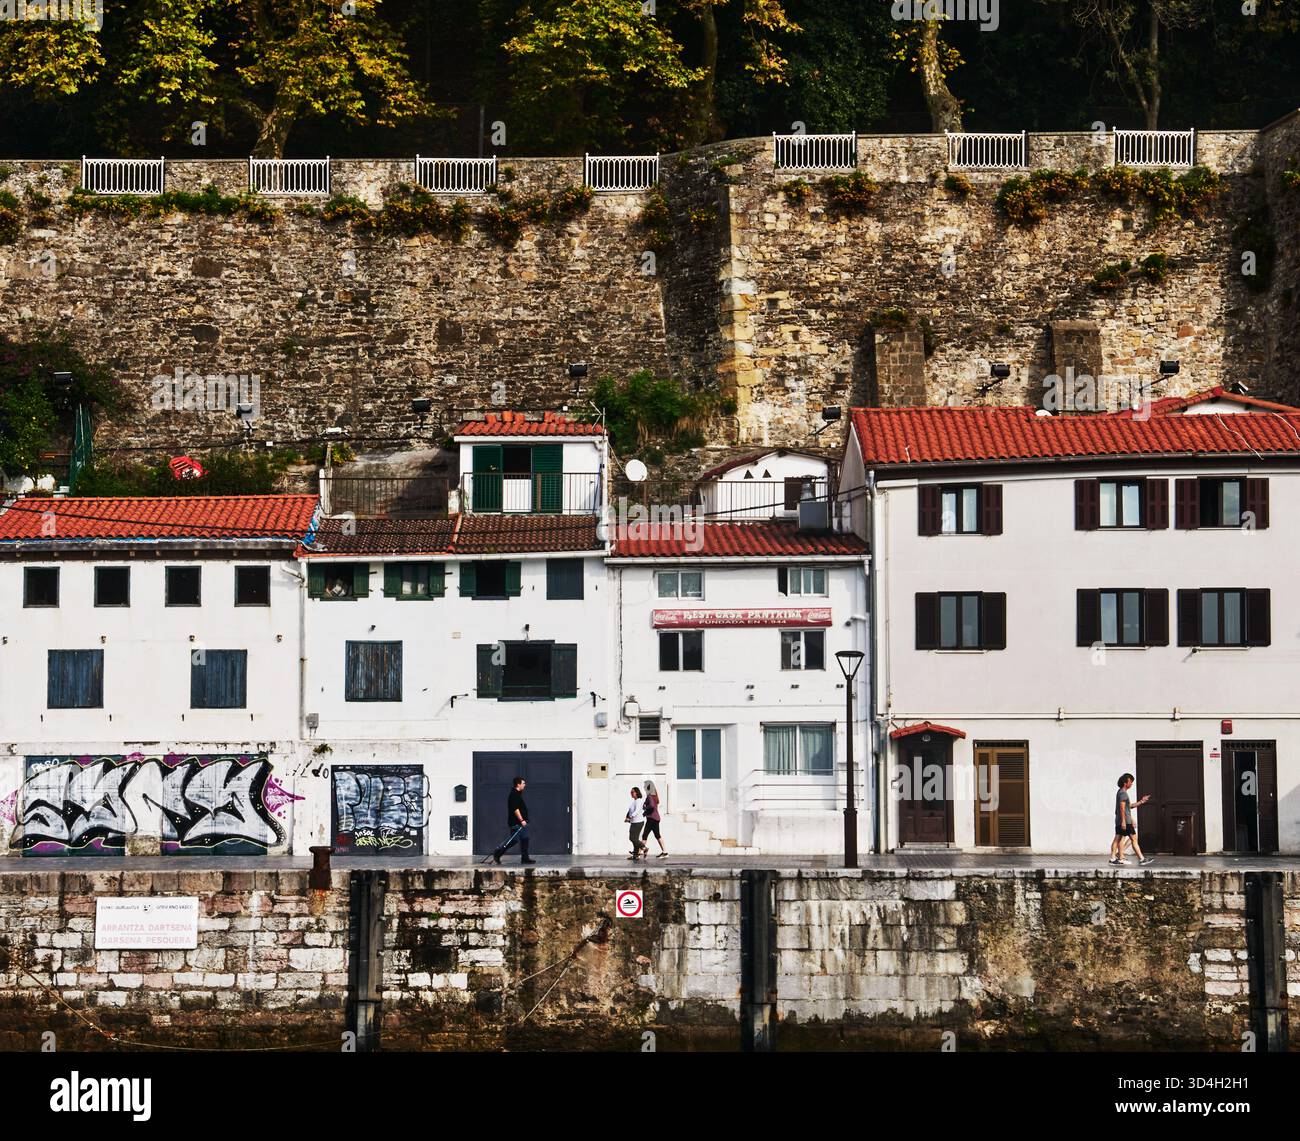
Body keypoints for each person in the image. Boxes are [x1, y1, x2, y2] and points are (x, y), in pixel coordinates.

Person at [1110, 773, 1153, 865]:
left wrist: (1141, 801)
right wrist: (1124, 822)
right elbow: (1122, 808)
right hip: (1125, 820)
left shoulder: (1120, 792)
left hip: (1122, 820)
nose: (1132, 784)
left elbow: (1128, 806)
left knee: (1118, 838)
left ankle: (1114, 858)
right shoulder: (1123, 793)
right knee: (1133, 839)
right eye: (1131, 782)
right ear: (1126, 783)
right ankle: (1141, 859)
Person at [493, 776, 534, 864]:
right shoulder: (514, 794)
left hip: (521, 822)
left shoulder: (518, 793)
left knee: (525, 839)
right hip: (516, 822)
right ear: (518, 784)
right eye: (523, 783)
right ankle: (498, 852)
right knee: (513, 840)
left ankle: (525, 859)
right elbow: (515, 809)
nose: (525, 785)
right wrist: (522, 820)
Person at [641, 779, 667, 857]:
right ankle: (665, 852)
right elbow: (653, 805)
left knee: (644, 835)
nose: (644, 787)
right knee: (657, 835)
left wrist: (645, 808)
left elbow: (651, 806)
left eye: (645, 785)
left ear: (648, 786)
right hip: (656, 818)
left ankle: (639, 853)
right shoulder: (654, 796)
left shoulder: (649, 796)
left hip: (651, 818)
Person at [624, 786, 647, 860]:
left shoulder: (639, 801)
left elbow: (636, 811)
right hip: (634, 822)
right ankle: (636, 855)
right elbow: (630, 810)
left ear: (637, 793)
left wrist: (630, 817)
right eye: (631, 792)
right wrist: (627, 817)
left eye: (632, 792)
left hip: (637, 822)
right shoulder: (635, 801)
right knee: (634, 839)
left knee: (632, 838)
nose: (631, 793)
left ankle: (644, 848)